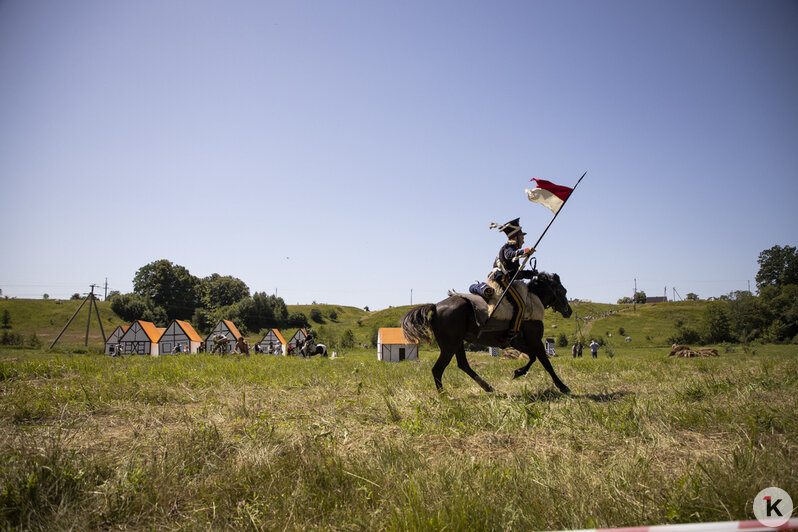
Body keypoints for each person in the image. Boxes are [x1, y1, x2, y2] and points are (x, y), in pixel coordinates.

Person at [488, 218, 535, 349]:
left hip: (507, 278)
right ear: (515, 237)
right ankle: (511, 335)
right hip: (501, 279)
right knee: (520, 306)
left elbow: (514, 273)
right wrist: (524, 251)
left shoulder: (512, 247)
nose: (523, 240)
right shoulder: (508, 247)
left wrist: (529, 274)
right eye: (522, 236)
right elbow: (510, 255)